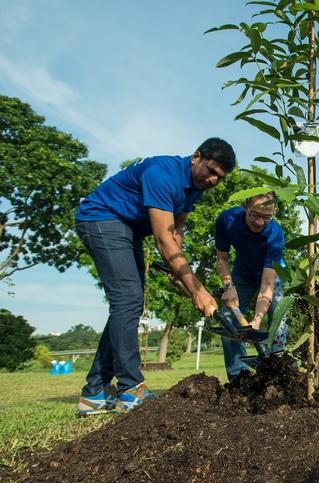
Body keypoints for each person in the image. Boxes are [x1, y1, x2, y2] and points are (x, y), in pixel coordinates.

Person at [75, 138, 236, 415]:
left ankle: (94, 393)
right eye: (211, 171)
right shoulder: (162, 174)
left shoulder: (195, 187)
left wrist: (179, 270)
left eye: (220, 178)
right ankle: (130, 388)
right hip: (101, 218)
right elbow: (163, 241)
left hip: (129, 230)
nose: (213, 180)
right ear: (196, 157)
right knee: (128, 298)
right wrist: (197, 289)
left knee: (128, 303)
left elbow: (176, 231)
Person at [215, 192, 287, 382]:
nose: (259, 222)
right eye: (255, 215)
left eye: (266, 217)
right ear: (245, 206)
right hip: (242, 274)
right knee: (229, 318)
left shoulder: (275, 234)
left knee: (279, 319)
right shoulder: (227, 219)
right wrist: (228, 285)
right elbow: (221, 259)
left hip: (272, 275)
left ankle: (278, 373)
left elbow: (267, 283)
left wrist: (256, 321)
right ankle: (239, 378)